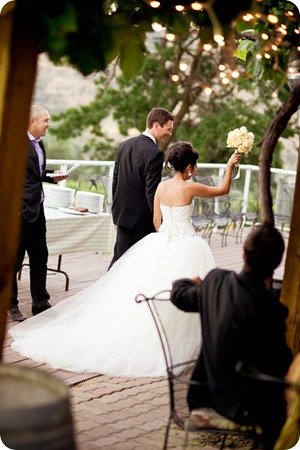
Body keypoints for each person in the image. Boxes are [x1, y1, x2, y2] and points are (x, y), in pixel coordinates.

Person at [9, 141, 240, 377]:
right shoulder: (190, 188)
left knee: (149, 288)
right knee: (185, 291)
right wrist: (230, 165)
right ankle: (177, 342)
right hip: (185, 243)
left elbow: (157, 221)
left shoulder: (161, 187)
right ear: (190, 168)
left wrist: (164, 237)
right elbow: (223, 190)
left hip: (161, 242)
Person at [170, 223, 294, 449]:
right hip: (242, 406)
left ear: (244, 253)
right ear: (276, 264)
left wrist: (198, 283)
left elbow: (178, 294)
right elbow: (280, 365)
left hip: (203, 394)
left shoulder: (215, 282)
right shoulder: (270, 309)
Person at [8, 105, 67, 322]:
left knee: (40, 256)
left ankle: (40, 303)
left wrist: (53, 175)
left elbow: (36, 173)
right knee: (13, 260)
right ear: (32, 121)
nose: (48, 124)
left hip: (38, 209)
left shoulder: (39, 143)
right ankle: (10, 304)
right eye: (46, 120)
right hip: (20, 211)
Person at [108, 107, 174, 269]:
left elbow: (115, 181)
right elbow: (152, 192)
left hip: (122, 214)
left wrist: (116, 209)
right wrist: (158, 221)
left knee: (119, 259)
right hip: (141, 220)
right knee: (142, 263)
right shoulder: (155, 154)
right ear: (156, 125)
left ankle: (108, 290)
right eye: (168, 129)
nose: (169, 133)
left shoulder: (124, 145)